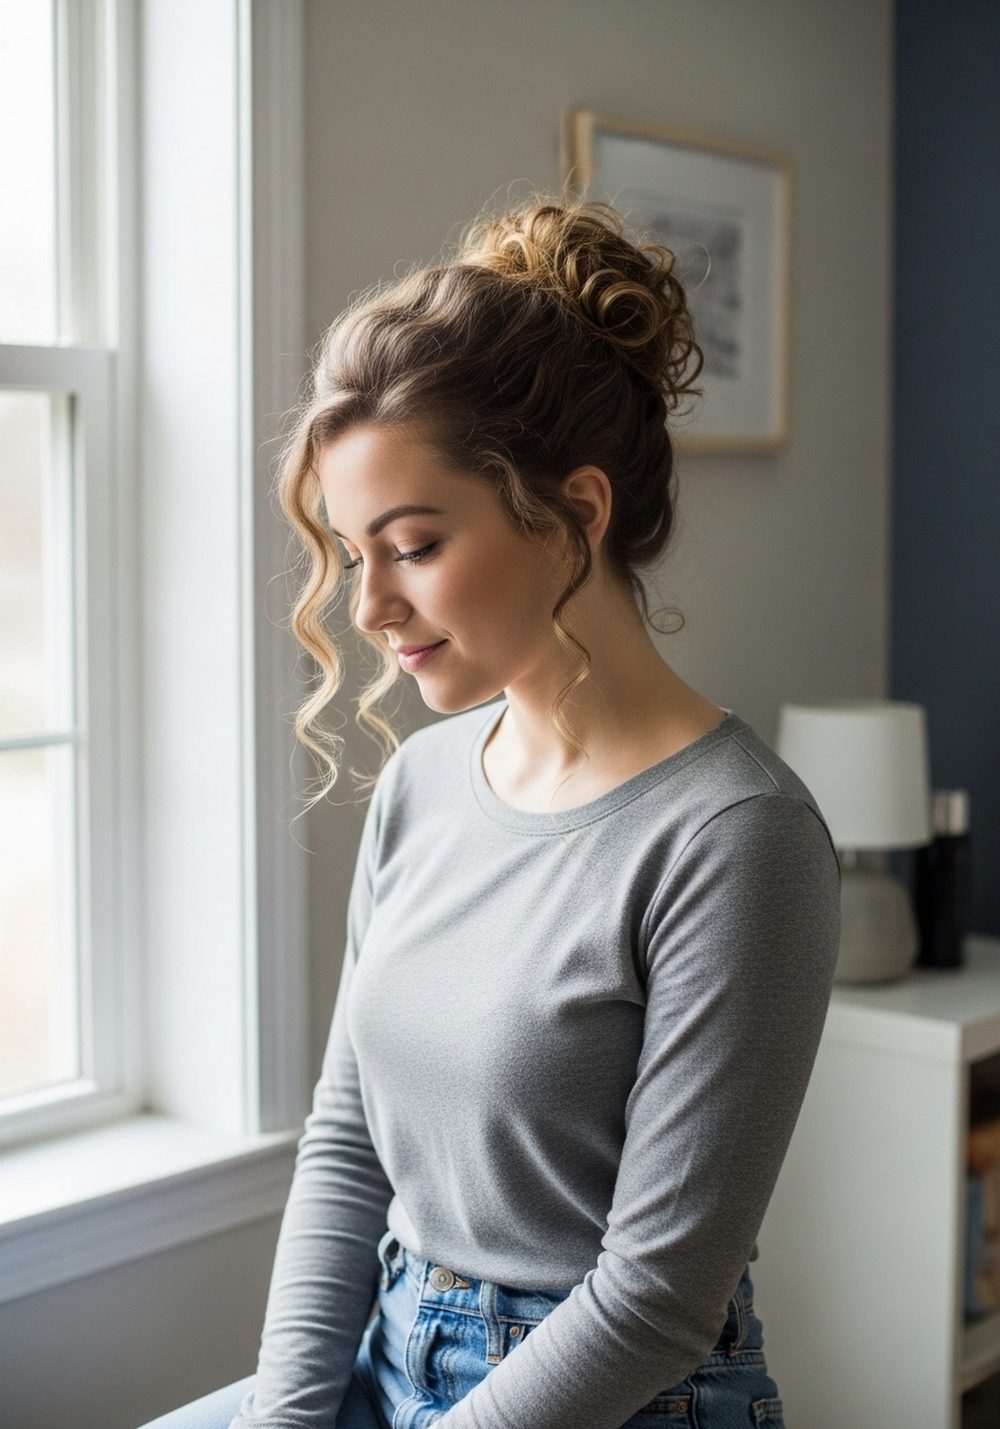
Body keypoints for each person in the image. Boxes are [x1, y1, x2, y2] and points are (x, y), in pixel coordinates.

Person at [139, 195, 841, 1429]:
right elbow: (349, 1145)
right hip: (385, 1346)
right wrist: (289, 1416)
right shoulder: (422, 782)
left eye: (411, 544)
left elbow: (657, 1295)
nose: (367, 608)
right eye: (355, 555)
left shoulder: (737, 837)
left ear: (574, 511)